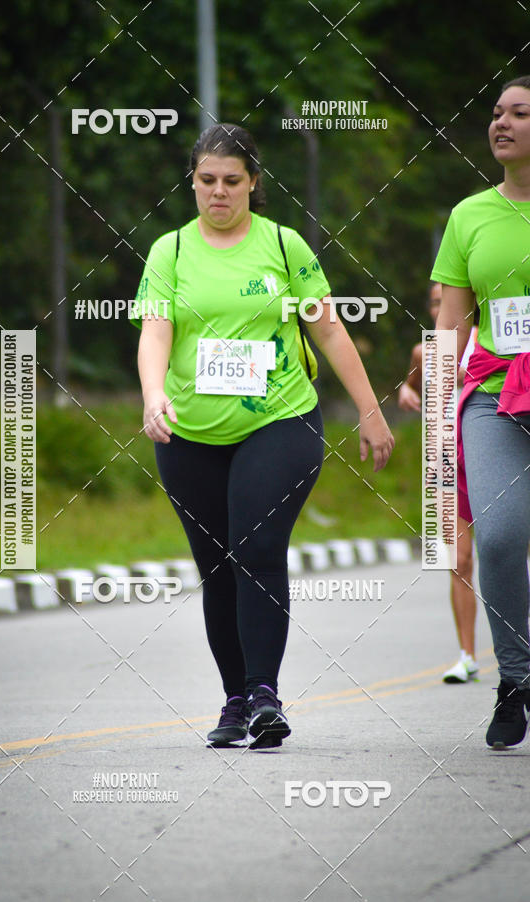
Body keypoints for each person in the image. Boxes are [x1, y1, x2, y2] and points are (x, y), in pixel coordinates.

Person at [135, 123, 394, 750]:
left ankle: (263, 694)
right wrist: (152, 393)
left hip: (279, 420)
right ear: (192, 182)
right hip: (191, 432)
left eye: (231, 181)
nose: (218, 193)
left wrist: (369, 409)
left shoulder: (284, 247)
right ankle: (234, 701)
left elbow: (329, 330)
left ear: (254, 182)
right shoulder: (169, 252)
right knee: (216, 566)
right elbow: (156, 330)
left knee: (254, 544)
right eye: (206, 181)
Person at [432, 77, 530, 749]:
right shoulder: (470, 215)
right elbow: (451, 319)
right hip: (496, 394)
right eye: (496, 111)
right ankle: (515, 681)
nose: (502, 122)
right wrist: (439, 414)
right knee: (495, 539)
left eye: (520, 113)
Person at [398, 283, 479, 684]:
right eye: (434, 302)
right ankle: (467, 655)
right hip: (446, 462)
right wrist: (406, 393)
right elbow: (410, 386)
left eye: (446, 299)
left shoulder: (493, 344)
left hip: (494, 458)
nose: (440, 308)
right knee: (459, 560)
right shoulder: (424, 352)